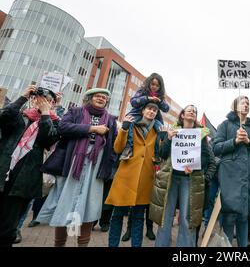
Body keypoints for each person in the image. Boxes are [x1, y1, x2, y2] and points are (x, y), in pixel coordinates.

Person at [37, 88, 118, 247]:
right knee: (65, 204)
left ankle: (82, 244)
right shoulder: (76, 112)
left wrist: (109, 166)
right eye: (98, 96)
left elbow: (114, 144)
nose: (101, 99)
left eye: (104, 97)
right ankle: (59, 244)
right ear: (89, 98)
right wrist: (92, 129)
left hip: (95, 167)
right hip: (72, 163)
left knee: (89, 206)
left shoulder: (110, 119)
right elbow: (63, 128)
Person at [0, 85, 60, 247]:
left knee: (7, 229)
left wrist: (46, 114)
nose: (41, 102)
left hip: (23, 181)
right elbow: (3, 116)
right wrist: (23, 96)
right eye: (38, 98)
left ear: (53, 104)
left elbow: (48, 139)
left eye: (47, 101)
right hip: (3, 171)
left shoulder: (54, 123)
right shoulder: (20, 116)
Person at [150, 105, 216, 247]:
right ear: (182, 115)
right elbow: (162, 154)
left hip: (189, 180)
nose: (192, 111)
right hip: (171, 179)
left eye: (195, 111)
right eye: (189, 110)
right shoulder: (173, 131)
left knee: (187, 218)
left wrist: (194, 166)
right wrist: (167, 138)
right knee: (165, 217)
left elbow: (206, 158)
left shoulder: (201, 135)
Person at [212, 96, 250, 247]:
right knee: (229, 216)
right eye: (243, 102)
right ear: (235, 106)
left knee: (244, 217)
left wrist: (249, 141)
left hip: (249, 177)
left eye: (248, 103)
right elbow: (215, 148)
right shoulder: (225, 125)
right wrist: (234, 142)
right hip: (230, 177)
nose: (246, 105)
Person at [106, 102, 163, 247]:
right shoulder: (131, 125)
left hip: (145, 178)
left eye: (155, 110)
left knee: (139, 217)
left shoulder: (158, 130)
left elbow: (161, 153)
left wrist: (165, 139)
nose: (151, 112)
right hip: (126, 177)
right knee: (117, 215)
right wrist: (124, 129)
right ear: (143, 110)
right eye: (149, 109)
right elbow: (118, 148)